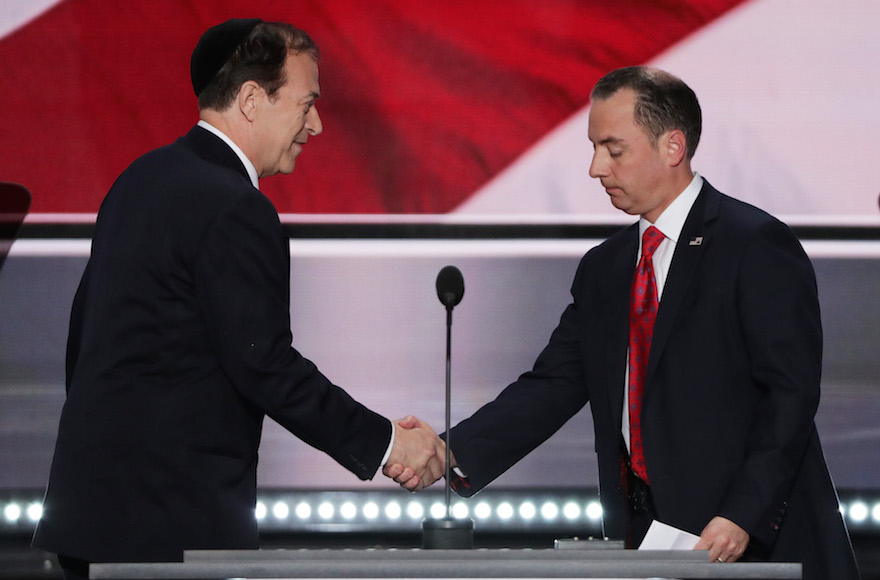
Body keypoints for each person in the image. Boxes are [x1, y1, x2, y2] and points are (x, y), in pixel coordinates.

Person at [389, 66, 860, 579]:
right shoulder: (604, 268)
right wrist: (448, 449)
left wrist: (742, 514)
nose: (596, 168)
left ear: (672, 147)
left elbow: (788, 398)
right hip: (645, 540)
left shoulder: (755, 245)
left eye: (614, 150)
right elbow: (552, 386)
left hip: (751, 544)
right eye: (593, 149)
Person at [33, 19, 443, 578]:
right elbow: (266, 365)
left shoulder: (140, 178)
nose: (317, 125)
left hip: (90, 517)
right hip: (168, 530)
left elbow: (84, 343)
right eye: (307, 103)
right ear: (252, 99)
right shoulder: (235, 207)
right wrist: (388, 444)